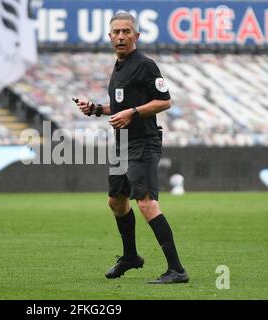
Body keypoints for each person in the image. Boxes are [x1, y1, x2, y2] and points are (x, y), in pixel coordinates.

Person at [74, 11, 188, 284]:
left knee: (147, 203)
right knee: (116, 201)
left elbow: (164, 101)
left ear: (136, 36)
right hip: (122, 144)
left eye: (126, 32)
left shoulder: (145, 65)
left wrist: (133, 113)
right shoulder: (119, 66)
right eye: (116, 32)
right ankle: (130, 257)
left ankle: (177, 270)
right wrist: (97, 109)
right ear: (110, 37)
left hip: (143, 143)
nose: (121, 37)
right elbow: (122, 106)